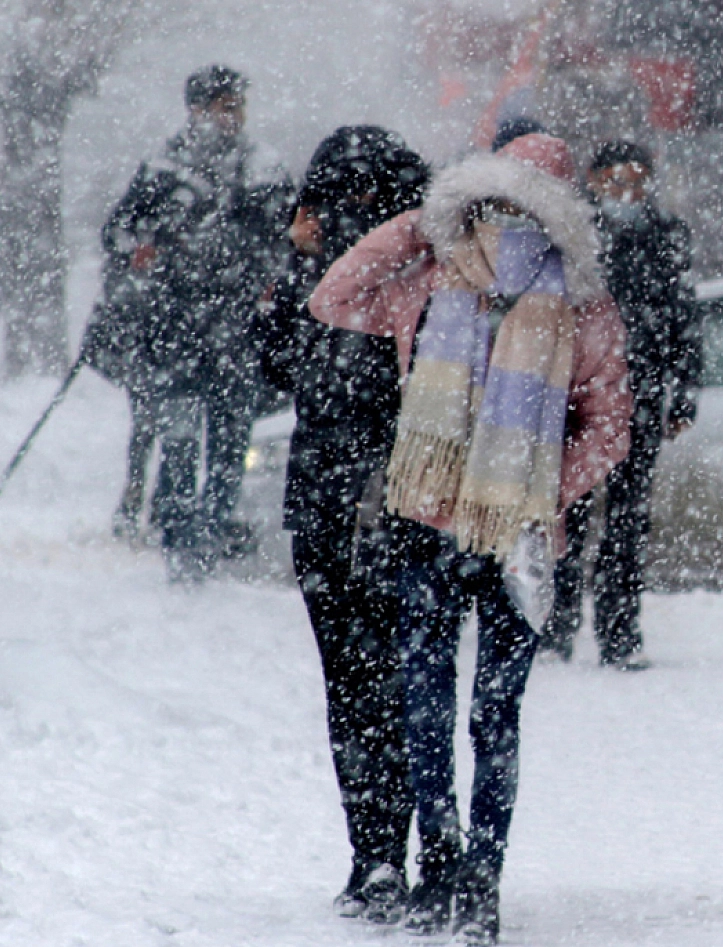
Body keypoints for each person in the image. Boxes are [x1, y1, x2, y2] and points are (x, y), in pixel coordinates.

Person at [311, 134, 631, 945]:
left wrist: (531, 491)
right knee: (468, 711)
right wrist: (424, 224)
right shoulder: (452, 279)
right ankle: (464, 871)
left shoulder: (547, 297)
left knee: (457, 707)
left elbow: (610, 426)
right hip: (468, 532)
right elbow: (332, 295)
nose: (502, 217)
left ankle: (460, 870)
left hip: (482, 534)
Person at [252, 126, 429, 924]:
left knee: (387, 682)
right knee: (359, 684)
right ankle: (378, 851)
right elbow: (272, 363)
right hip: (335, 502)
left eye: (363, 196)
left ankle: (397, 849)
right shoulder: (319, 275)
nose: (349, 212)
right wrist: (295, 262)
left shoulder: (415, 271)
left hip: (394, 498)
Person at [100, 65, 293, 579]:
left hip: (236, 333)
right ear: (198, 110)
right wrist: (140, 248)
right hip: (175, 333)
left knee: (230, 449)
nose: (235, 116)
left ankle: (208, 541)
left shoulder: (263, 168)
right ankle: (181, 546)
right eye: (225, 107)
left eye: (238, 106)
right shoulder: (162, 170)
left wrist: (272, 278)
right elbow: (116, 233)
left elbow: (288, 239)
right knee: (181, 445)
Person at [538, 140, 700, 669]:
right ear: (594, 180)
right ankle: (556, 627)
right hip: (579, 397)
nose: (627, 193)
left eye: (637, 182)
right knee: (569, 514)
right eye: (616, 181)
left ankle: (620, 633)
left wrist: (684, 395)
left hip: (640, 395)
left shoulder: (666, 235)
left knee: (628, 521)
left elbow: (684, 316)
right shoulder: (571, 232)